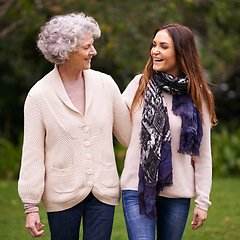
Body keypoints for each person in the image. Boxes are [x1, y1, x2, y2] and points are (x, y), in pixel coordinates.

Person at [18, 12, 131, 240]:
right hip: (61, 194)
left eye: (93, 45)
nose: (94, 52)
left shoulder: (105, 84)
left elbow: (130, 135)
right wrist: (31, 207)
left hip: (103, 190)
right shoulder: (39, 96)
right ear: (66, 52)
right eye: (87, 47)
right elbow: (32, 154)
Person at [120, 23, 217, 240]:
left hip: (177, 194)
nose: (155, 51)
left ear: (180, 53)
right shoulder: (139, 84)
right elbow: (115, 123)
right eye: (154, 45)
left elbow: (203, 154)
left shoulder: (197, 95)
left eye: (163, 46)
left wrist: (203, 201)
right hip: (137, 187)